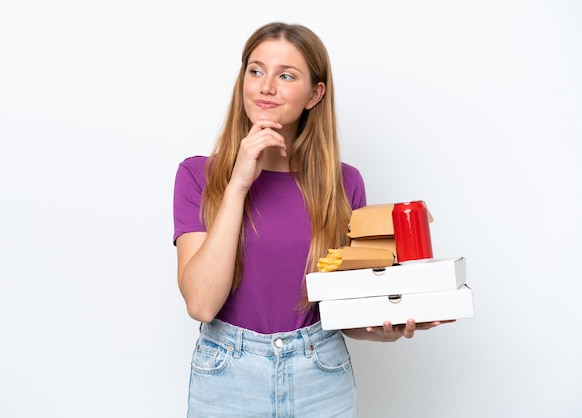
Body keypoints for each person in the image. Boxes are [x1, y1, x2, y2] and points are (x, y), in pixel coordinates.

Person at [173, 21, 446, 418]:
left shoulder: (343, 183)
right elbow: (201, 304)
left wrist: (382, 324)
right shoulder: (198, 176)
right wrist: (237, 186)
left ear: (315, 94)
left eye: (286, 75)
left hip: (321, 374)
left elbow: (339, 308)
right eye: (256, 70)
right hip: (227, 376)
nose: (266, 86)